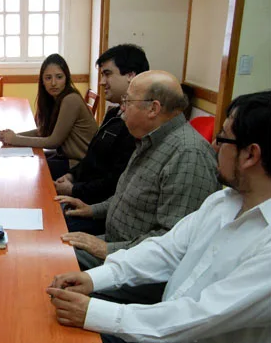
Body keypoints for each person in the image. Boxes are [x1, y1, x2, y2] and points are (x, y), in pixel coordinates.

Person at [46, 90, 271, 343]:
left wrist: (96, 312)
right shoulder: (224, 201)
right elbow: (165, 252)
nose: (214, 145)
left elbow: (203, 314)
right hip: (167, 331)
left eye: (224, 137)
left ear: (251, 155)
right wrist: (95, 279)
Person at [55, 70, 220, 304]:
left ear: (153, 108)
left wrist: (107, 248)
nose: (122, 109)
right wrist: (93, 210)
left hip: (138, 271)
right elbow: (128, 194)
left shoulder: (188, 155)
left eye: (128, 102)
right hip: (116, 247)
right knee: (51, 245)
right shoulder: (151, 140)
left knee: (52, 267)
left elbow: (173, 241)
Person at [54, 44, 148, 235]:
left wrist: (74, 189)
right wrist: (72, 175)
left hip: (102, 211)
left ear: (131, 75)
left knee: (51, 228)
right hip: (85, 197)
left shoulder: (137, 125)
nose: (102, 82)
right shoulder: (114, 113)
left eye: (107, 74)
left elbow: (114, 182)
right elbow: (91, 157)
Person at [0, 54, 97, 179]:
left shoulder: (71, 100)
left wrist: (14, 139)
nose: (54, 83)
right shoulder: (54, 99)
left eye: (59, 77)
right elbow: (43, 131)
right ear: (42, 81)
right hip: (66, 157)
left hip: (81, 165)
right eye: (48, 78)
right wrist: (13, 135)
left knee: (31, 167)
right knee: (30, 158)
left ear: (66, 78)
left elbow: (53, 142)